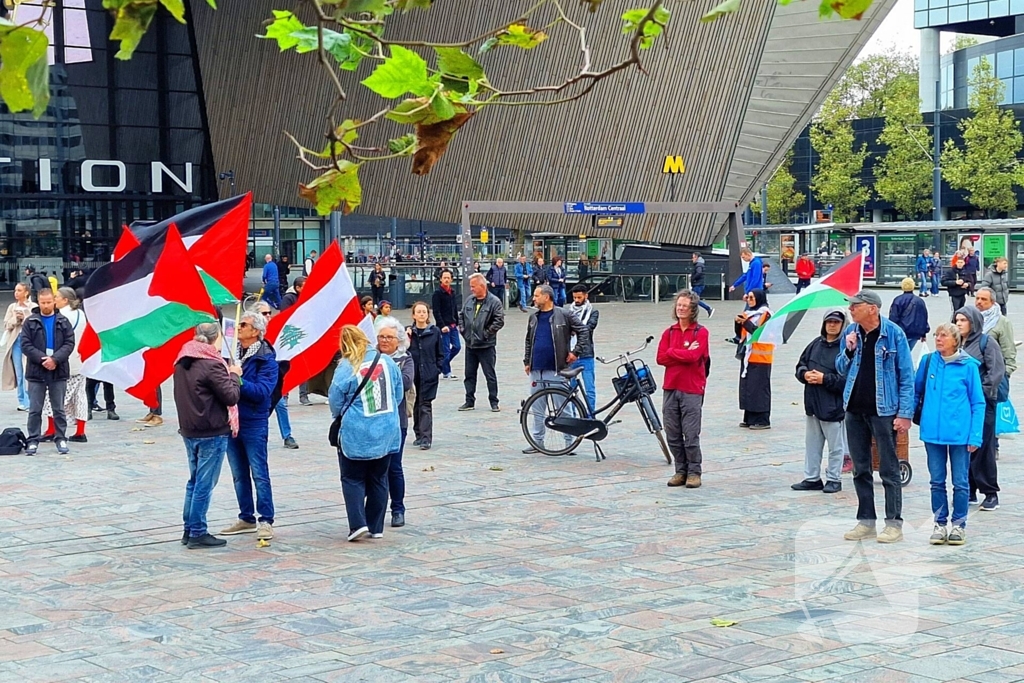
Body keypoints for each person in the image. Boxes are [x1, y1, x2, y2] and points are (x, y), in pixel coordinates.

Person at [836, 289, 915, 544]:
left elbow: (907, 377)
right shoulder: (852, 333)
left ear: (872, 308)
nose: (851, 309)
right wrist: (848, 349)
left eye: (855, 305)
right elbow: (839, 368)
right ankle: (866, 521)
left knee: (890, 470)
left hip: (884, 411)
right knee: (860, 469)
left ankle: (894, 524)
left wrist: (904, 414)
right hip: (854, 409)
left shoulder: (893, 334)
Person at [329, 325, 403, 542]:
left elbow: (335, 399)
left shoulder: (346, 366)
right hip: (387, 429)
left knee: (352, 478)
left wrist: (342, 414)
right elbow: (398, 393)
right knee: (379, 478)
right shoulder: (388, 361)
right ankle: (376, 526)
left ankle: (358, 524)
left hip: (357, 431)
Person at [917, 322, 985, 546]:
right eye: (937, 335)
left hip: (959, 435)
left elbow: (978, 402)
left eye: (943, 336)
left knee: (960, 482)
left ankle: (959, 524)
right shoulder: (928, 363)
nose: (938, 339)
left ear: (955, 341)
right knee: (936, 481)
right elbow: (916, 393)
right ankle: (939, 523)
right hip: (932, 435)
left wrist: (975, 435)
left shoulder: (969, 367)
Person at [174, 322, 242, 549]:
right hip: (211, 430)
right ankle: (197, 531)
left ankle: (189, 528)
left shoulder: (182, 360)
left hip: (190, 429)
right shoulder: (212, 364)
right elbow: (231, 396)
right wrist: (234, 375)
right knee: (204, 483)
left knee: (194, 481)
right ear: (215, 339)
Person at [220, 310, 279, 541]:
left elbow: (263, 392)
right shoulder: (231, 353)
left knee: (259, 472)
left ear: (256, 331)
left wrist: (238, 379)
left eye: (243, 325)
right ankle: (246, 517)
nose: (239, 328)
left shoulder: (267, 359)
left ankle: (266, 519)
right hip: (232, 420)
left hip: (254, 421)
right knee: (238, 473)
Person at [522, 285, 590, 454]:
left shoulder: (564, 314)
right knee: (537, 407)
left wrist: (576, 352)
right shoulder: (534, 317)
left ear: (547, 297)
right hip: (537, 368)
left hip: (557, 368)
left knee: (563, 407)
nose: (534, 298)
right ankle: (537, 442)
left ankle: (569, 442)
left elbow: (583, 330)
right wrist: (527, 360)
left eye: (537, 295)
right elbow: (529, 340)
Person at [954, 306, 1006, 512]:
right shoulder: (955, 343)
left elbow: (996, 372)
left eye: (963, 320)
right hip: (961, 405)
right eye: (956, 320)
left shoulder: (986, 342)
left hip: (983, 404)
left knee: (983, 448)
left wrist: (979, 392)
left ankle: (990, 492)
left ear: (973, 322)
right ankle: (969, 489)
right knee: (964, 446)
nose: (958, 323)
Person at [657, 290, 710, 489]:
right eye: (679, 305)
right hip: (671, 386)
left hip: (692, 388)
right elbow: (661, 358)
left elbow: (694, 357)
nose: (680, 308)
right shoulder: (669, 332)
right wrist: (680, 352)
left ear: (693, 309)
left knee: (690, 433)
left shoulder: (701, 332)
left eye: (685, 306)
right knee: (672, 432)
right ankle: (681, 470)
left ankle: (694, 471)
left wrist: (674, 353)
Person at [792, 310, 848, 494]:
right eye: (829, 321)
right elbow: (801, 364)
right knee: (812, 445)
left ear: (842, 324)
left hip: (832, 406)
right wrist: (804, 374)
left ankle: (834, 478)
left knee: (835, 446)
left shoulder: (846, 349)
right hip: (813, 403)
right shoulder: (815, 344)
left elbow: (847, 380)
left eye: (836, 322)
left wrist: (825, 379)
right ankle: (812, 477)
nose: (832, 325)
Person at [20, 289, 76, 456]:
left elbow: (69, 343)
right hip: (37, 370)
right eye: (43, 302)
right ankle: (33, 439)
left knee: (58, 407)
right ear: (38, 302)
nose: (46, 305)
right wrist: (43, 358)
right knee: (35, 408)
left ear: (54, 301)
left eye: (49, 302)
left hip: (58, 370)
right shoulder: (30, 322)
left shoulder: (63, 321)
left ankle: (60, 437)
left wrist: (55, 359)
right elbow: (25, 344)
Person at [374, 316, 415, 528]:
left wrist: (386, 366)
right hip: (372, 422)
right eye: (381, 336)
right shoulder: (370, 358)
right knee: (373, 468)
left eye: (389, 337)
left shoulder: (405, 360)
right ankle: (374, 510)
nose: (384, 341)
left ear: (398, 340)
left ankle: (398, 508)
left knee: (394, 467)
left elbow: (406, 382)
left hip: (396, 421)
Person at [41, 288, 89, 443]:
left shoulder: (61, 317)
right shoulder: (81, 314)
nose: (54, 300)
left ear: (65, 300)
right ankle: (80, 431)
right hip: (80, 360)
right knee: (79, 396)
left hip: (64, 362)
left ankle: (51, 429)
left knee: (54, 396)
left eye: (57, 297)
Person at [255, 303, 301, 447]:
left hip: (274, 377)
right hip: (258, 380)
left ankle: (287, 436)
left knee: (280, 404)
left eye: (269, 312)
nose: (268, 315)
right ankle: (260, 435)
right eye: (264, 313)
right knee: (261, 409)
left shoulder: (277, 329)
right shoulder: (253, 333)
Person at [458, 273, 505, 412]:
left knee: (490, 375)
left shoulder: (494, 302)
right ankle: (469, 401)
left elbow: (499, 321)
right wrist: (463, 331)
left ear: (482, 286)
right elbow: (461, 316)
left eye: (473, 286)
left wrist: (486, 334)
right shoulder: (469, 301)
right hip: (470, 345)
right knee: (469, 375)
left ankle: (494, 401)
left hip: (486, 346)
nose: (471, 289)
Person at [408, 301, 444, 451]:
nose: (422, 314)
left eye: (424, 312)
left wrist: (437, 369)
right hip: (413, 374)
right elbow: (402, 350)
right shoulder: (409, 332)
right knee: (416, 404)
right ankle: (418, 434)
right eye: (419, 312)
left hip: (429, 374)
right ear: (414, 315)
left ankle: (426, 438)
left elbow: (441, 353)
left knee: (425, 405)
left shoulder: (434, 331)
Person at [735, 289, 773, 429]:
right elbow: (740, 335)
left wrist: (745, 322)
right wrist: (738, 323)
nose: (749, 300)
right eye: (748, 297)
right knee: (748, 387)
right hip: (748, 355)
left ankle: (763, 419)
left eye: (752, 297)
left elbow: (760, 333)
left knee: (759, 388)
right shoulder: (749, 314)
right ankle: (749, 417)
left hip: (761, 356)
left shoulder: (766, 314)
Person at [2, 283, 36, 411]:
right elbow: (6, 324)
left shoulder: (34, 307)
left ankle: (32, 399)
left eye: (19, 290)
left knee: (29, 370)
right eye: (15, 290)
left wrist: (25, 317)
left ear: (26, 292)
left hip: (30, 341)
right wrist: (16, 319)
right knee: (19, 371)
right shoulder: (12, 307)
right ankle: (23, 400)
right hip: (16, 341)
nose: (16, 293)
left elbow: (36, 323)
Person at [567, 284, 600, 415]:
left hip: (586, 354)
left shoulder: (593, 312)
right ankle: (573, 416)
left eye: (579, 297)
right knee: (571, 389)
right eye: (574, 297)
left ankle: (590, 416)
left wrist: (573, 329)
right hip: (570, 355)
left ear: (586, 296)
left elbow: (589, 327)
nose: (576, 300)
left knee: (589, 389)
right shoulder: (568, 312)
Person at [974, 287, 1016, 377]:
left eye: (984, 299)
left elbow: (1008, 349)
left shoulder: (1002, 322)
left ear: (992, 301)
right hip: (973, 371)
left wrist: (1005, 373)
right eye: (977, 298)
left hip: (993, 372)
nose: (979, 302)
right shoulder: (969, 319)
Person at [431, 270, 461, 379]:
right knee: (446, 350)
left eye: (448, 278)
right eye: (445, 278)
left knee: (457, 347)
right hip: (443, 326)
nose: (447, 280)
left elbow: (454, 308)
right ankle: (446, 372)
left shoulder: (452, 292)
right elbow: (436, 311)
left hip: (453, 325)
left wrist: (457, 322)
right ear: (441, 279)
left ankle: (441, 364)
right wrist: (442, 325)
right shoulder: (437, 293)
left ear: (451, 279)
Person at [889, 277, 930, 351]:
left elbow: (893, 318)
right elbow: (923, 318)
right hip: (915, 333)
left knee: (901, 353)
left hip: (902, 332)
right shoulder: (920, 301)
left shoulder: (898, 300)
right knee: (908, 351)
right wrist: (924, 333)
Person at [690, 252, 714, 317]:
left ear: (697, 257)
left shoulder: (699, 265)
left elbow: (699, 273)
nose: (692, 259)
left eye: (694, 257)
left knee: (695, 299)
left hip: (698, 284)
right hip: (698, 284)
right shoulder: (699, 264)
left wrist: (693, 279)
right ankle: (692, 314)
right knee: (694, 299)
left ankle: (708, 308)